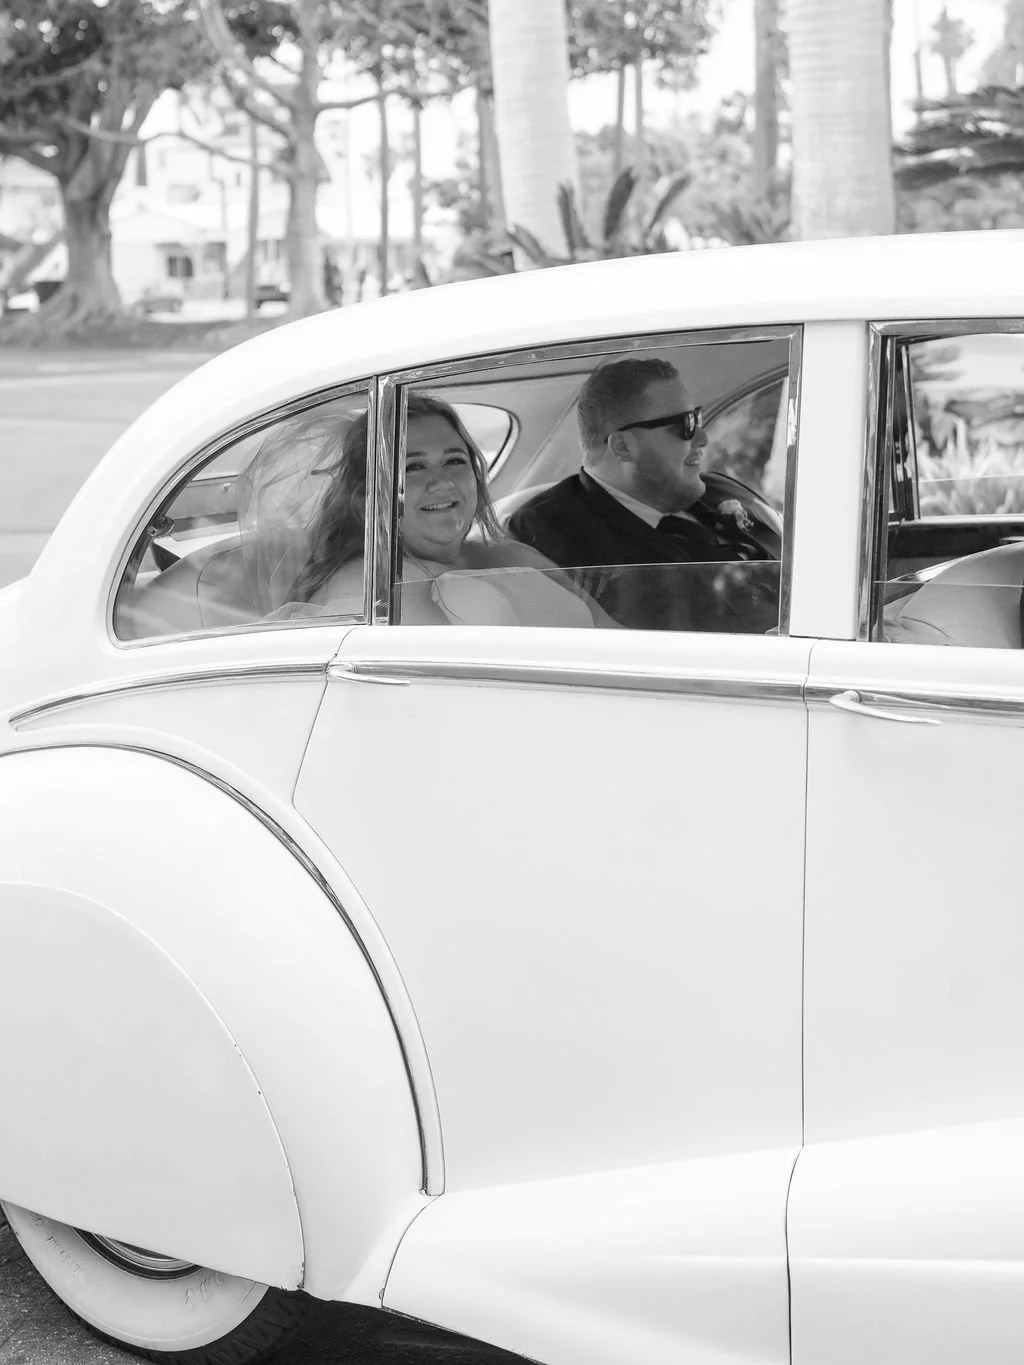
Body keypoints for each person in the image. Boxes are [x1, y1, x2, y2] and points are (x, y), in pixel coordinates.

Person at [508, 356, 781, 632]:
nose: (702, 438)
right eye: (685, 425)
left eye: (697, 417)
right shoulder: (549, 534)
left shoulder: (722, 489)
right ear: (623, 447)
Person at [288, 392, 601, 628]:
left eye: (454, 461)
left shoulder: (512, 555)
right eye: (413, 467)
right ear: (366, 498)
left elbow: (616, 634)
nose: (442, 482)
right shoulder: (373, 587)